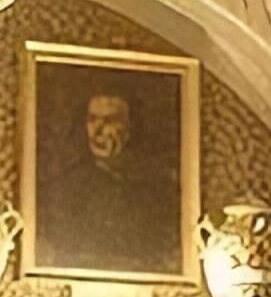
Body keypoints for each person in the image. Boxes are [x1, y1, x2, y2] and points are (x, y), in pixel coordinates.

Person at [38, 77, 183, 276]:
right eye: (91, 120)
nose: (96, 131)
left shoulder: (161, 191)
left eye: (109, 121)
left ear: (131, 128)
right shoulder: (62, 189)